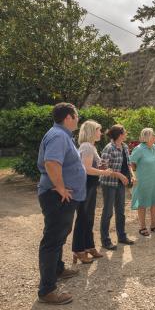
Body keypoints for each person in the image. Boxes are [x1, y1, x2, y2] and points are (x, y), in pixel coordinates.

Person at [37, 103, 86, 304]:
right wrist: (60, 187)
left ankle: (57, 269)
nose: (78, 119)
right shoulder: (58, 136)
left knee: (59, 236)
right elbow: (51, 162)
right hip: (57, 196)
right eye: (76, 116)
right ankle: (47, 291)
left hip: (61, 196)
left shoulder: (63, 135)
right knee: (52, 240)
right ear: (68, 117)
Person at [72, 120, 113, 264]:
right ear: (91, 132)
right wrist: (103, 171)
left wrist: (101, 166)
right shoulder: (88, 147)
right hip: (86, 186)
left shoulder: (90, 147)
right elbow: (87, 169)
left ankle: (88, 246)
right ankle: (78, 249)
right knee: (83, 218)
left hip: (89, 186)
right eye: (98, 130)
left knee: (88, 217)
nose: (100, 133)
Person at [100, 124, 136, 250]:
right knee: (108, 212)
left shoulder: (125, 146)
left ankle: (122, 236)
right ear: (120, 134)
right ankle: (105, 241)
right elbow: (103, 167)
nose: (126, 134)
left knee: (120, 211)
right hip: (109, 183)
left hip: (120, 184)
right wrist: (119, 175)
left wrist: (132, 175)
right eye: (125, 132)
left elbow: (128, 163)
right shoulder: (108, 148)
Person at [129, 128, 155, 236]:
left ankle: (153, 225)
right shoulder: (139, 149)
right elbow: (131, 163)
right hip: (143, 181)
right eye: (154, 135)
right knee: (142, 203)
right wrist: (133, 176)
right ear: (147, 136)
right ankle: (142, 227)